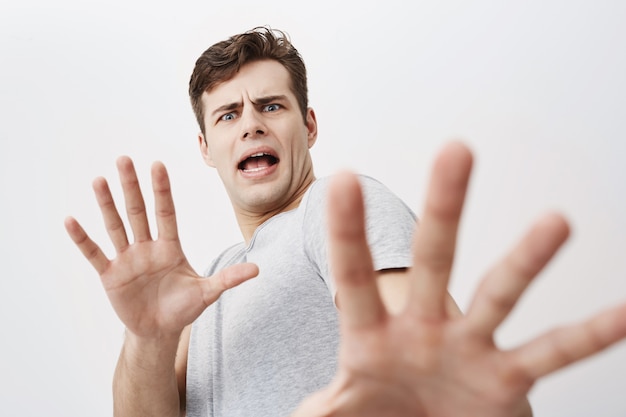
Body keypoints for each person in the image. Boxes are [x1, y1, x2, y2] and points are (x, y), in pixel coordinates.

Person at [64, 27, 626, 417]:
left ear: (309, 125)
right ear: (206, 147)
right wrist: (148, 338)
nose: (251, 125)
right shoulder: (207, 281)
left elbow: (420, 341)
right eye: (229, 115)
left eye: (271, 106)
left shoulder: (333, 209)